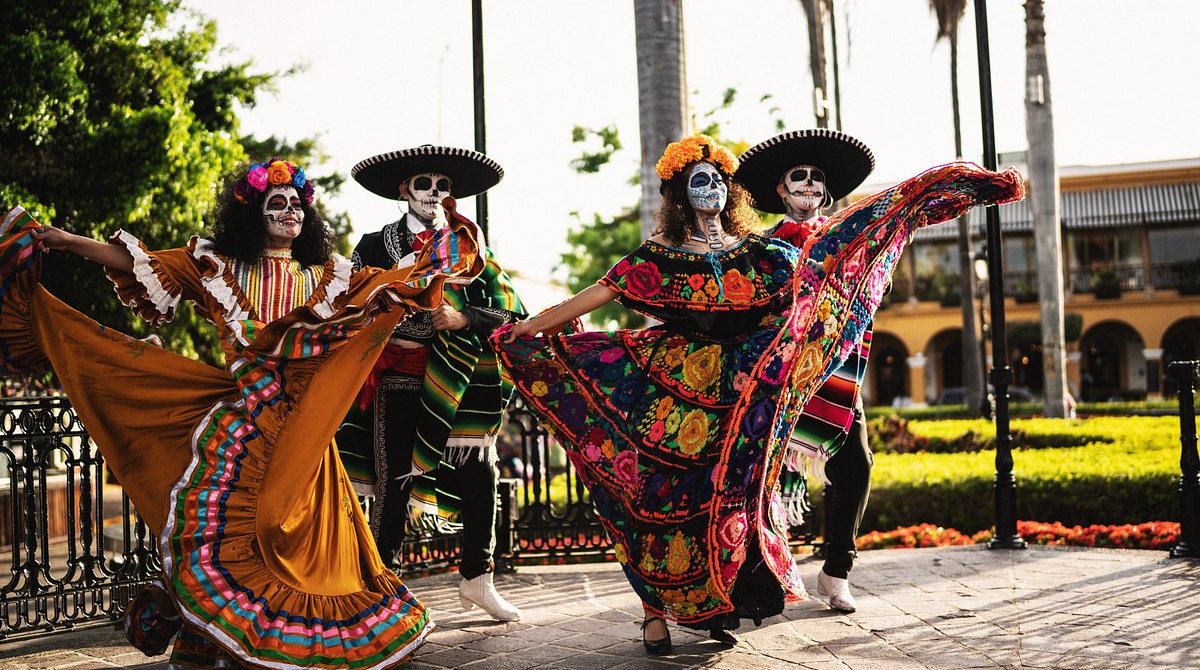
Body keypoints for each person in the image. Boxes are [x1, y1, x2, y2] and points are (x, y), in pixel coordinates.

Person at [492, 134, 1023, 655]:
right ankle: (653, 614)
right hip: (671, 393)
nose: (713, 189)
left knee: (726, 501)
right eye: (700, 181)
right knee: (655, 497)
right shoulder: (660, 256)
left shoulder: (762, 252)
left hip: (741, 399)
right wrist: (530, 327)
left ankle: (719, 602)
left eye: (720, 181)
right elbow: (599, 291)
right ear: (680, 194)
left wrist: (917, 200)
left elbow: (826, 274)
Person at [0, 157, 483, 668]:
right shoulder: (217, 266)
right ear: (254, 212)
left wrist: (438, 251)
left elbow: (397, 282)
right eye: (277, 203)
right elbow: (137, 262)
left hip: (304, 426)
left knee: (280, 529)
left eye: (297, 204)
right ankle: (202, 632)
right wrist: (67, 240)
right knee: (229, 530)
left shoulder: (333, 277)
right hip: (242, 421)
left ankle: (225, 627)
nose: (289, 211)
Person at [336, 145, 526, 622]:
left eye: (443, 186)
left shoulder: (470, 245)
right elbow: (346, 305)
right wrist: (385, 311)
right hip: (395, 380)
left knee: (481, 475)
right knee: (393, 481)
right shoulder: (373, 245)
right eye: (424, 185)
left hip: (457, 382)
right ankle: (384, 591)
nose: (435, 194)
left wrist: (463, 317)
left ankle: (477, 581)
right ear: (404, 191)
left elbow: (511, 311)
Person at [735, 129, 878, 613]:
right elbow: (748, 310)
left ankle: (837, 571)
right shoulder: (758, 248)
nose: (811, 184)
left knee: (855, 464)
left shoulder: (849, 238)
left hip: (834, 374)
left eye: (818, 178)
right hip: (776, 379)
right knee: (760, 478)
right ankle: (765, 576)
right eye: (800, 176)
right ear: (781, 189)